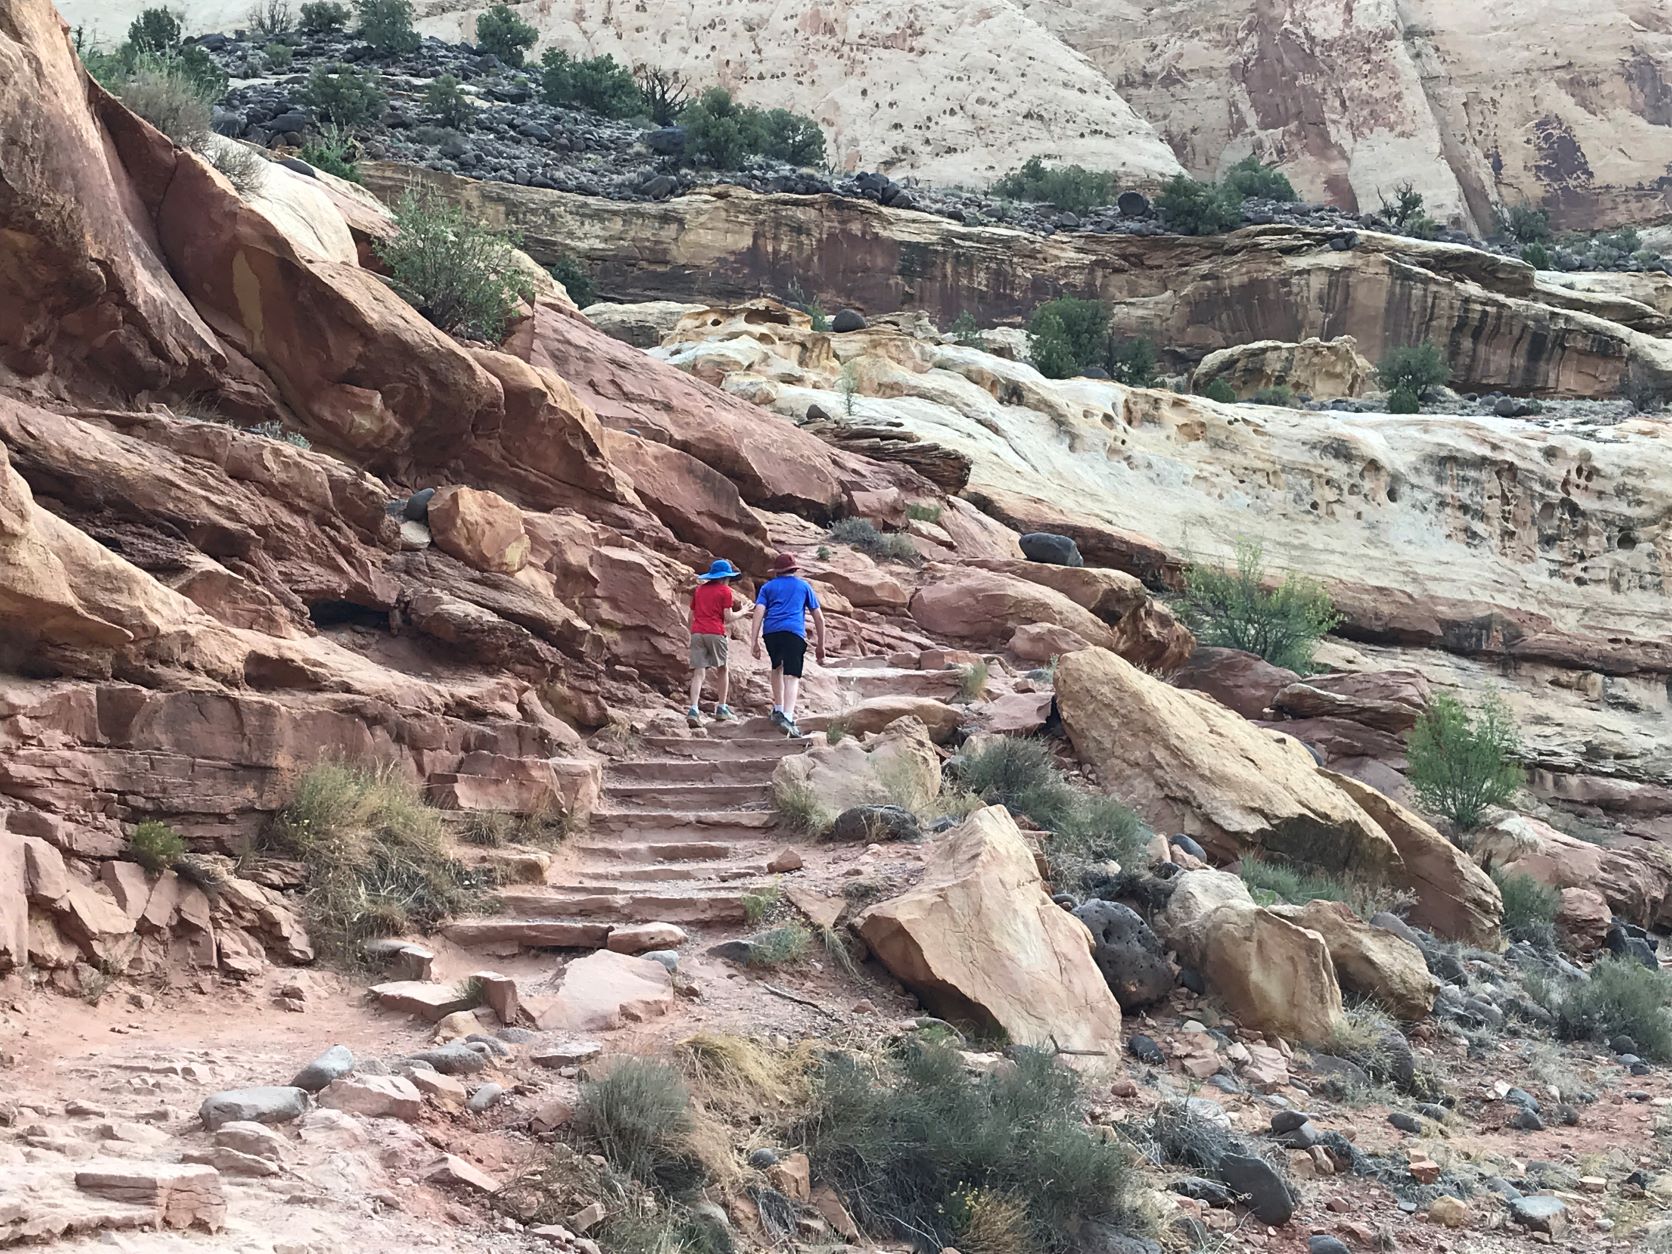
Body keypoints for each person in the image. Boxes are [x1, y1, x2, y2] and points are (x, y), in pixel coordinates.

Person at [751, 552, 827, 737]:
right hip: (793, 632)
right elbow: (819, 617)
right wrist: (821, 646)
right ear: (794, 569)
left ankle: (778, 709)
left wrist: (753, 641)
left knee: (777, 667)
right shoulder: (803, 586)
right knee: (792, 675)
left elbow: (759, 611)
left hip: (772, 632)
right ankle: (788, 717)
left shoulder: (768, 587)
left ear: (777, 571)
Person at [686, 558, 750, 727]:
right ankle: (721, 707)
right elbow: (728, 617)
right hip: (715, 631)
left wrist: (692, 632)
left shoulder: (699, 590)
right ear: (725, 578)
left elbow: (690, 616)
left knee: (699, 673)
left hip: (697, 632)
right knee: (722, 668)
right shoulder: (725, 591)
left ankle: (693, 709)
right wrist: (743, 612)